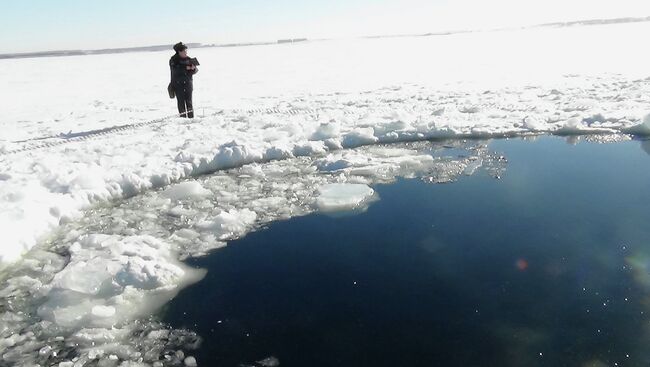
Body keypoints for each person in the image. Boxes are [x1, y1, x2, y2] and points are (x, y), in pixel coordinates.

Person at [169, 42, 198, 118]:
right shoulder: (173, 60)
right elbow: (175, 70)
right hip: (178, 85)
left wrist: (193, 68)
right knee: (181, 103)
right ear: (179, 51)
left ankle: (191, 118)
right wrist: (186, 68)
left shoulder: (189, 59)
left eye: (186, 51)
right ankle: (183, 119)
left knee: (189, 102)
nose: (186, 52)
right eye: (184, 51)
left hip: (188, 84)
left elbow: (195, 70)